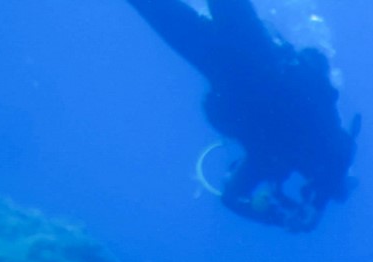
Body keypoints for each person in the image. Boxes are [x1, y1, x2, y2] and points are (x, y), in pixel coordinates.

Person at [125, 0, 359, 232]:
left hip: (233, 62)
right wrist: (307, 211)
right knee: (158, 11)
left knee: (155, 8)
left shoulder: (274, 160)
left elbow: (231, 197)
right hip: (245, 59)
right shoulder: (308, 144)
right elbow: (341, 156)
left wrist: (275, 216)